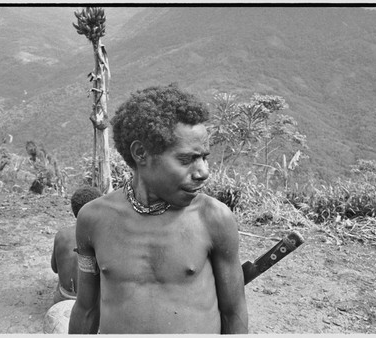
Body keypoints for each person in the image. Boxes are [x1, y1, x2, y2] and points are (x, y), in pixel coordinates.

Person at [69, 84, 248, 334]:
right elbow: (86, 309)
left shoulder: (214, 219)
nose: (203, 172)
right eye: (186, 160)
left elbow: (234, 310)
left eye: (204, 157)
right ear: (141, 153)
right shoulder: (93, 220)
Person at [51, 186, 102, 304]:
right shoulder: (101, 237)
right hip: (90, 305)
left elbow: (54, 268)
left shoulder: (61, 235)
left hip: (63, 299)